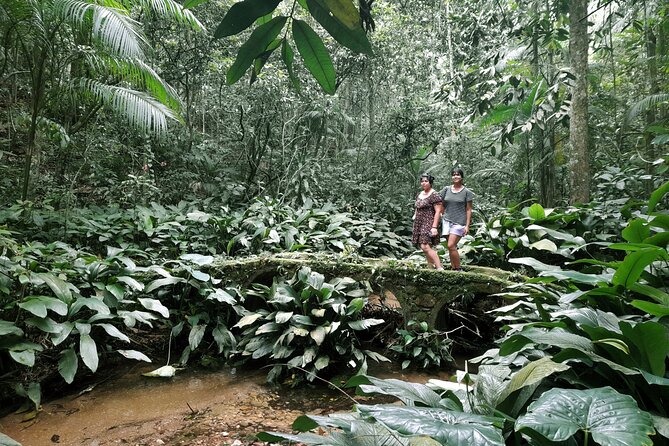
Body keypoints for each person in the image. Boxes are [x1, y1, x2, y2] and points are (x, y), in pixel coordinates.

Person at [440, 168, 474, 271]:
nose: (456, 176)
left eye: (458, 174)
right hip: (446, 220)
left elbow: (468, 209)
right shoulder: (446, 189)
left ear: (462, 177)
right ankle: (453, 267)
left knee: (451, 245)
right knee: (450, 246)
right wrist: (441, 214)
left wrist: (467, 225)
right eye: (454, 174)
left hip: (459, 221)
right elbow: (442, 203)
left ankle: (458, 268)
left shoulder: (467, 192)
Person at [412, 173, 444, 270]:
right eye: (422, 181)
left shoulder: (434, 195)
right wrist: (415, 217)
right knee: (425, 248)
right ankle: (431, 267)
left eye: (426, 181)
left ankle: (439, 267)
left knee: (425, 246)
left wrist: (434, 227)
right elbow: (417, 207)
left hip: (429, 222)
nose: (423, 183)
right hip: (419, 222)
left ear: (430, 182)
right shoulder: (420, 194)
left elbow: (438, 211)